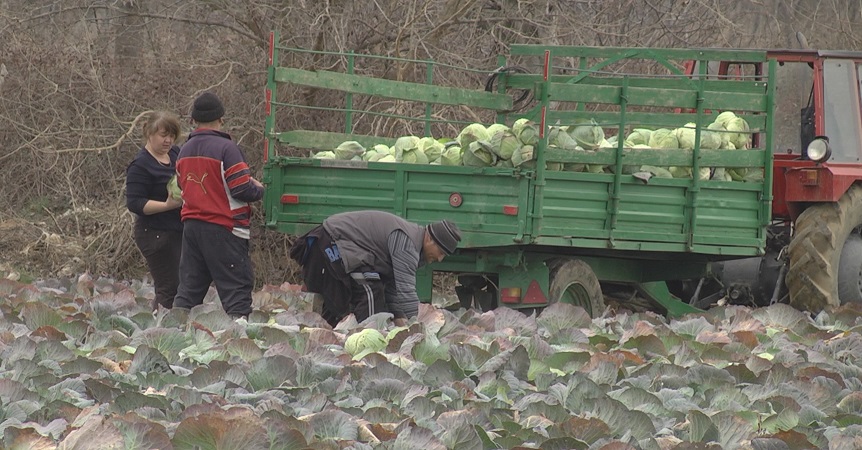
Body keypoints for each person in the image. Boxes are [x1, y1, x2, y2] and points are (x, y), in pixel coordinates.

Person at [173, 91, 264, 319]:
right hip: (224, 227)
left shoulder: (183, 151)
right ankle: (239, 340)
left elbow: (181, 187)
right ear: (221, 118)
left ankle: (173, 334)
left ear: (193, 120)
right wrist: (259, 189)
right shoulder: (227, 148)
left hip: (192, 227)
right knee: (236, 290)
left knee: (188, 290)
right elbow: (241, 188)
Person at [290, 210, 462, 327]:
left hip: (346, 249)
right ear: (430, 239)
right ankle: (368, 344)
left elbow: (393, 289)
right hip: (330, 242)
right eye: (440, 252)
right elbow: (406, 292)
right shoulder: (407, 244)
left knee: (366, 294)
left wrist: (401, 318)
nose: (440, 258)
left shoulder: (415, 246)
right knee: (370, 291)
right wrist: (418, 329)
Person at [125, 111, 184, 310]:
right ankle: (157, 330)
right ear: (149, 133)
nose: (168, 140)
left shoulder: (176, 154)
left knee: (184, 285)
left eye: (171, 135)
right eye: (163, 135)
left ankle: (175, 327)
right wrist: (167, 206)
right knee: (169, 287)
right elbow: (135, 203)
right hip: (155, 235)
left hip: (178, 231)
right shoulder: (140, 165)